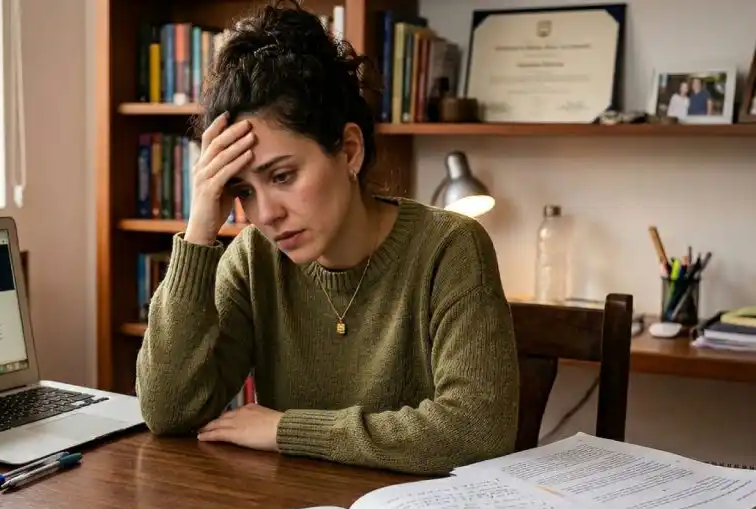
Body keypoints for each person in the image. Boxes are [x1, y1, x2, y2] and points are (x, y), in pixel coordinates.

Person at [134, 0, 520, 475]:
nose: (266, 215)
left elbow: (478, 430)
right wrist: (199, 231)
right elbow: (168, 410)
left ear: (349, 151)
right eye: (243, 191)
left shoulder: (450, 248)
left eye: (282, 176)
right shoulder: (253, 257)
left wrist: (287, 430)